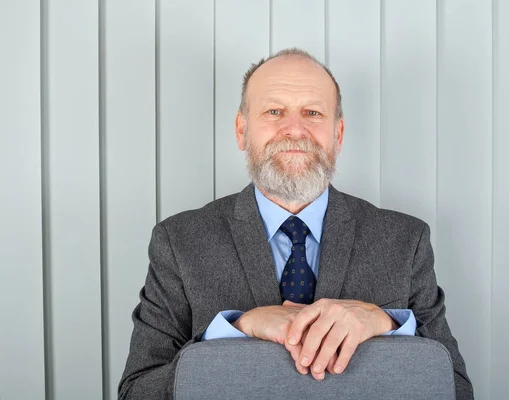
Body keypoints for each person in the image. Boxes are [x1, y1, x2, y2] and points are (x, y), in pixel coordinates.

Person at [118, 47, 473, 400]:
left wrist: (387, 323)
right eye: (274, 111)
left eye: (313, 112)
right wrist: (235, 329)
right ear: (242, 131)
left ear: (338, 134)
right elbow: (137, 392)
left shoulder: (404, 241)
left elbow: (456, 390)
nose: (295, 130)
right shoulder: (179, 242)